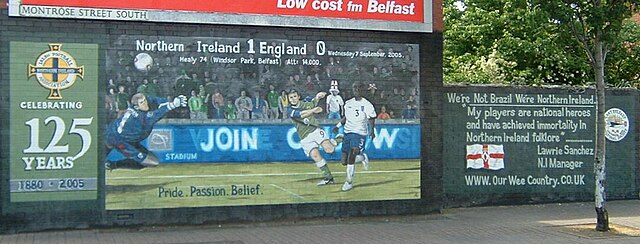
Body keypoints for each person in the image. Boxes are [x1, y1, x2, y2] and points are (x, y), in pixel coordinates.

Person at [105, 93, 187, 170]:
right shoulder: (139, 117)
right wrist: (173, 105)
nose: (145, 103)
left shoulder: (140, 106)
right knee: (150, 162)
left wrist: (170, 102)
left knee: (154, 160)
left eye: (145, 100)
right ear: (136, 106)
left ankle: (109, 163)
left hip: (129, 139)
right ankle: (112, 165)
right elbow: (155, 115)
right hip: (119, 140)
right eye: (142, 102)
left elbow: (154, 100)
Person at [287, 89, 341, 186]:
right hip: (304, 137)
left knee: (329, 150)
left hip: (315, 130)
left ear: (298, 96)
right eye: (291, 97)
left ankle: (338, 139)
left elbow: (314, 102)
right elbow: (301, 115)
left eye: (295, 96)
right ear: (289, 99)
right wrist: (314, 110)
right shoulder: (290, 110)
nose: (293, 99)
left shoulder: (306, 104)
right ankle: (329, 178)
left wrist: (318, 96)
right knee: (316, 156)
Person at [333, 81, 376, 191]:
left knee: (352, 156)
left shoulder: (367, 104)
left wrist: (372, 131)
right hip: (348, 132)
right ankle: (362, 157)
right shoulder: (348, 103)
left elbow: (371, 118)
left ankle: (349, 182)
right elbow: (345, 118)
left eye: (358, 88)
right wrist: (338, 126)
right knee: (344, 161)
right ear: (352, 89)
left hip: (360, 133)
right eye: (354, 88)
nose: (356, 89)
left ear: (362, 90)